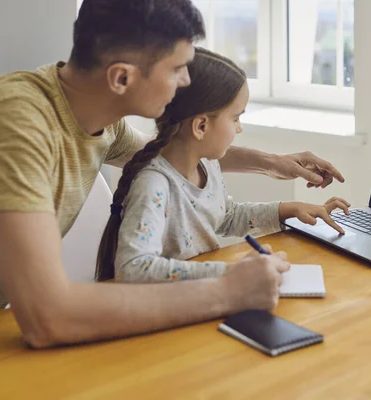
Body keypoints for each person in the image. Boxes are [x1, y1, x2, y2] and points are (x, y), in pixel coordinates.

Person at [0, 0, 344, 347]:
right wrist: (229, 291)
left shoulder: (97, 119)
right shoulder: (17, 127)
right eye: (176, 69)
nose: (186, 81)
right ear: (122, 78)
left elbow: (168, 153)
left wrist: (273, 163)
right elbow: (48, 315)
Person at [95, 48, 351, 283]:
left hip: (204, 297)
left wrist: (289, 209)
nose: (239, 128)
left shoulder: (207, 166)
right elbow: (133, 269)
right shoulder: (154, 186)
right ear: (201, 126)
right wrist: (229, 272)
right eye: (236, 118)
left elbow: (225, 216)